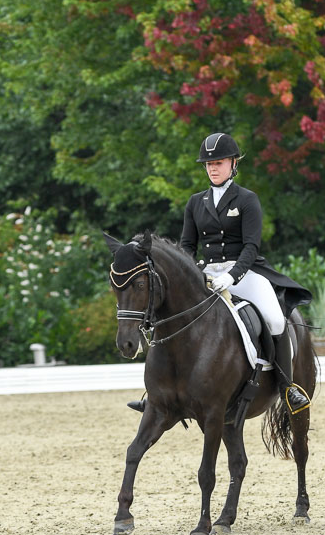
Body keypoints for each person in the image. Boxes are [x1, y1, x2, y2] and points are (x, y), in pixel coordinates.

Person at [129, 132, 312, 416]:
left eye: (219, 162)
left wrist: (234, 275)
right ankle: (157, 394)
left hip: (245, 272)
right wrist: (192, 272)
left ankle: (287, 387)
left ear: (233, 163)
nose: (213, 167)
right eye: (208, 163)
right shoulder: (195, 202)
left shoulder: (248, 199)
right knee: (168, 314)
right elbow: (187, 246)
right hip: (207, 273)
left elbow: (252, 246)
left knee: (276, 319)